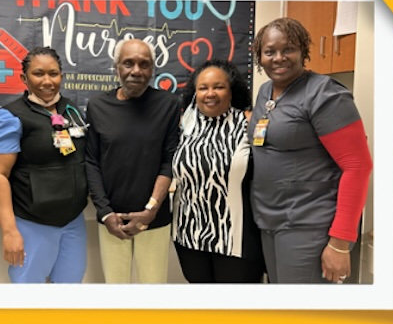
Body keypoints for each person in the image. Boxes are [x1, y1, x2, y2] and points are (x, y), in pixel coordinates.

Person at [249, 17, 373, 283]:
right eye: (269, 51)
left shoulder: (325, 95)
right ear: (260, 56)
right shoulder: (265, 92)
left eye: (288, 49)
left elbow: (358, 166)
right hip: (270, 222)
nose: (279, 57)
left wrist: (340, 242)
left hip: (309, 225)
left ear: (303, 51)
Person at [0, 47, 89, 283]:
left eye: (53, 73)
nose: (47, 81)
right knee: (29, 301)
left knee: (69, 294)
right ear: (24, 78)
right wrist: (10, 231)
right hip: (32, 223)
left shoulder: (71, 110)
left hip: (73, 222)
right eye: (38, 73)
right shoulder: (10, 117)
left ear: (62, 76)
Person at [85, 39, 181, 283]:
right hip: (112, 221)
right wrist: (106, 213)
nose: (136, 71)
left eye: (144, 64)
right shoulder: (97, 106)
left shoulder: (168, 105)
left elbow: (168, 161)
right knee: (116, 292)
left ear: (152, 70)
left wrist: (150, 210)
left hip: (154, 219)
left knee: (153, 289)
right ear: (116, 67)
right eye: (128, 63)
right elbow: (91, 162)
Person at [172, 59, 266, 283]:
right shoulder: (184, 125)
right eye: (203, 88)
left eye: (219, 87)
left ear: (232, 91)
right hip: (189, 235)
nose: (210, 93)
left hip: (238, 239)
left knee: (236, 312)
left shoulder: (249, 124)